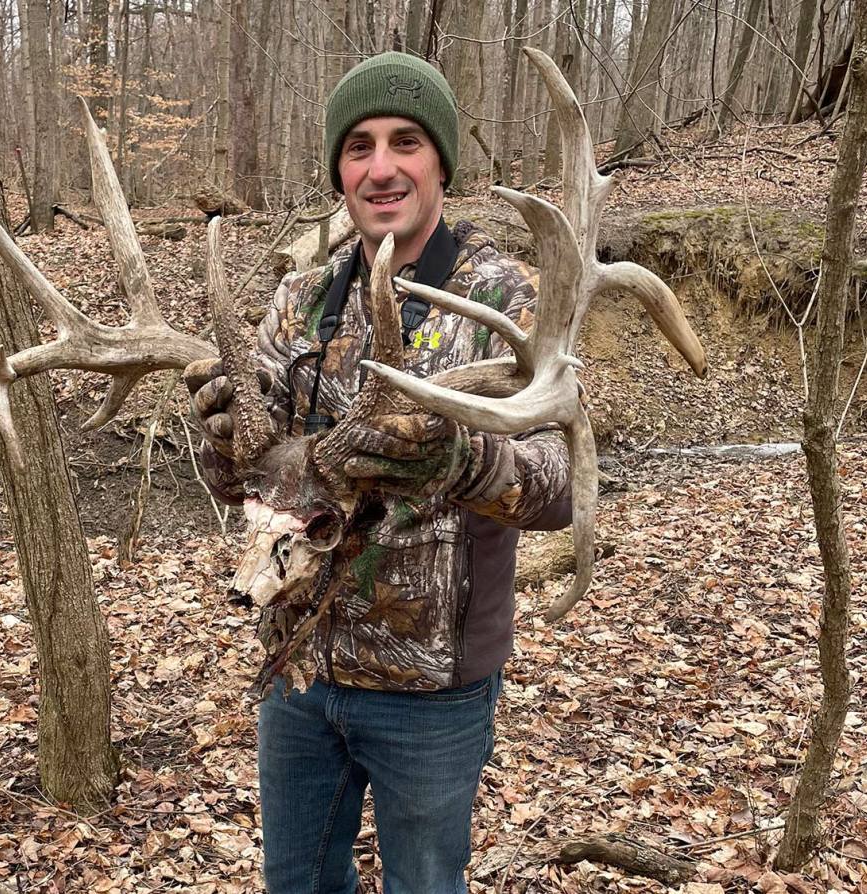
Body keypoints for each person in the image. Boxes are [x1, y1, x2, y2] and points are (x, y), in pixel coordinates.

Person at [186, 52, 572, 894]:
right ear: (340, 170)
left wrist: (461, 456)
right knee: (297, 883)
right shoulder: (303, 298)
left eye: (406, 142)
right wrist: (222, 436)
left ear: (440, 162)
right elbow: (254, 491)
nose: (381, 166)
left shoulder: (504, 300)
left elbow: (559, 486)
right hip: (298, 667)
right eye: (359, 146)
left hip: (429, 689)